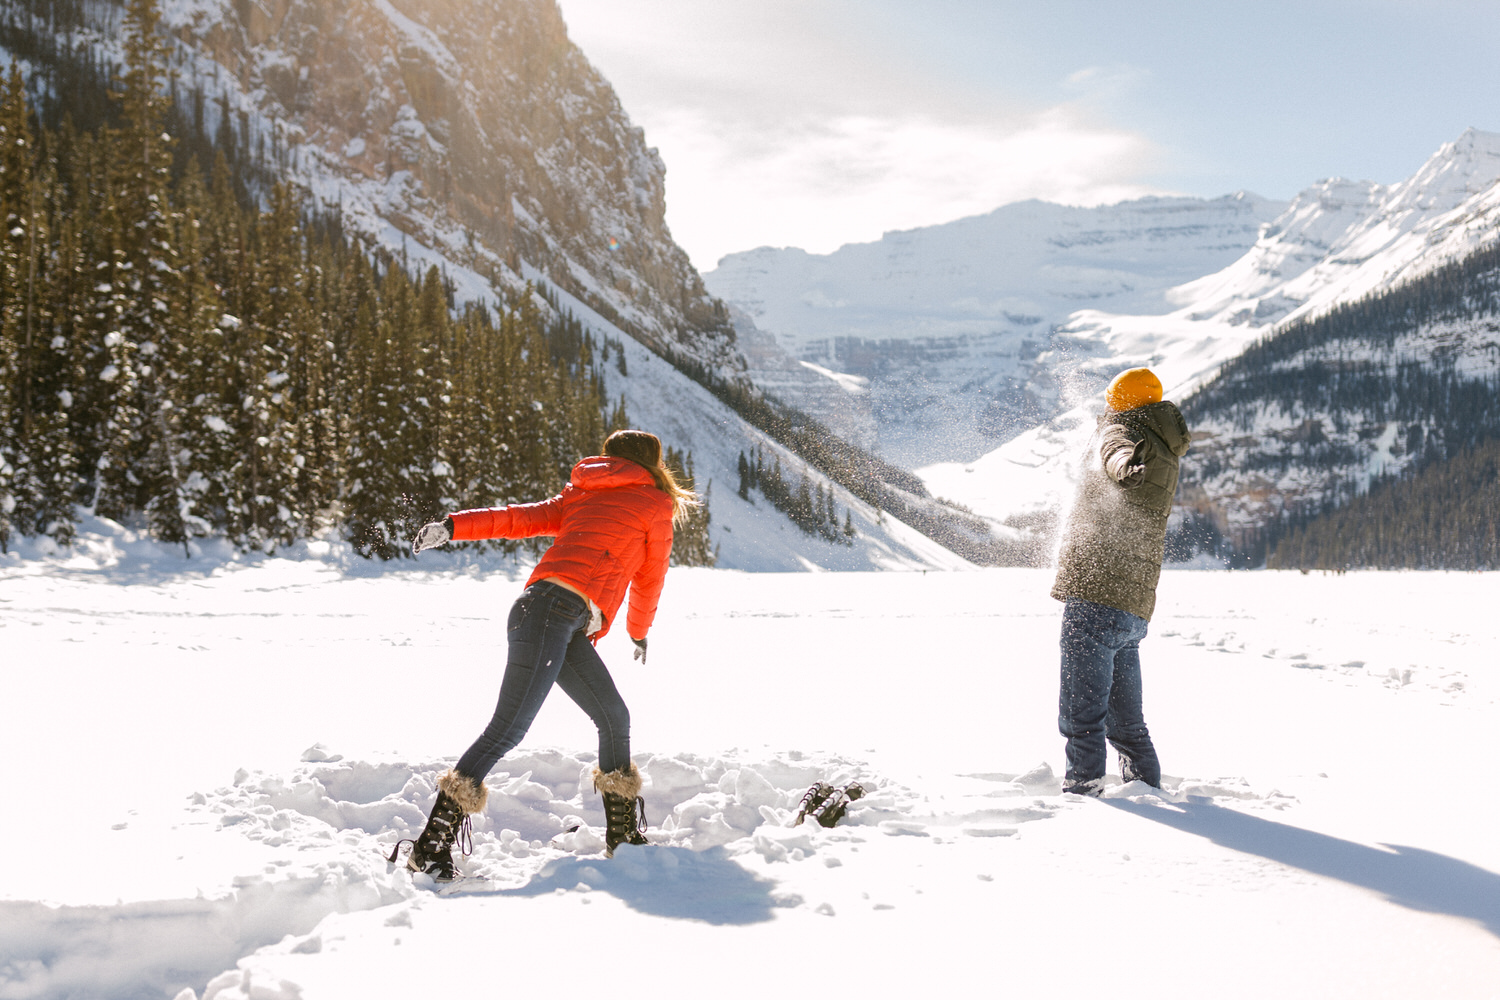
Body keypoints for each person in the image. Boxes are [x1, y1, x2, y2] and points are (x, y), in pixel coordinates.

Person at [390, 429, 694, 879]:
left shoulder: (583, 491)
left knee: (614, 717)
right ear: (654, 462)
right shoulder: (654, 504)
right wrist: (637, 631)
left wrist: (454, 525)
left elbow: (518, 519)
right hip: (552, 615)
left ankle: (623, 838)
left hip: (551, 615)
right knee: (507, 730)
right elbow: (650, 578)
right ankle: (430, 848)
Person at [1050, 367, 1190, 797]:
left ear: (1121, 403)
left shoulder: (1120, 432)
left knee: (1081, 714)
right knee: (1127, 722)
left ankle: (1083, 789)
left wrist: (1122, 465)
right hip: (1131, 607)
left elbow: (1115, 452)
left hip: (1095, 597)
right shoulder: (1164, 445)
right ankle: (1146, 789)